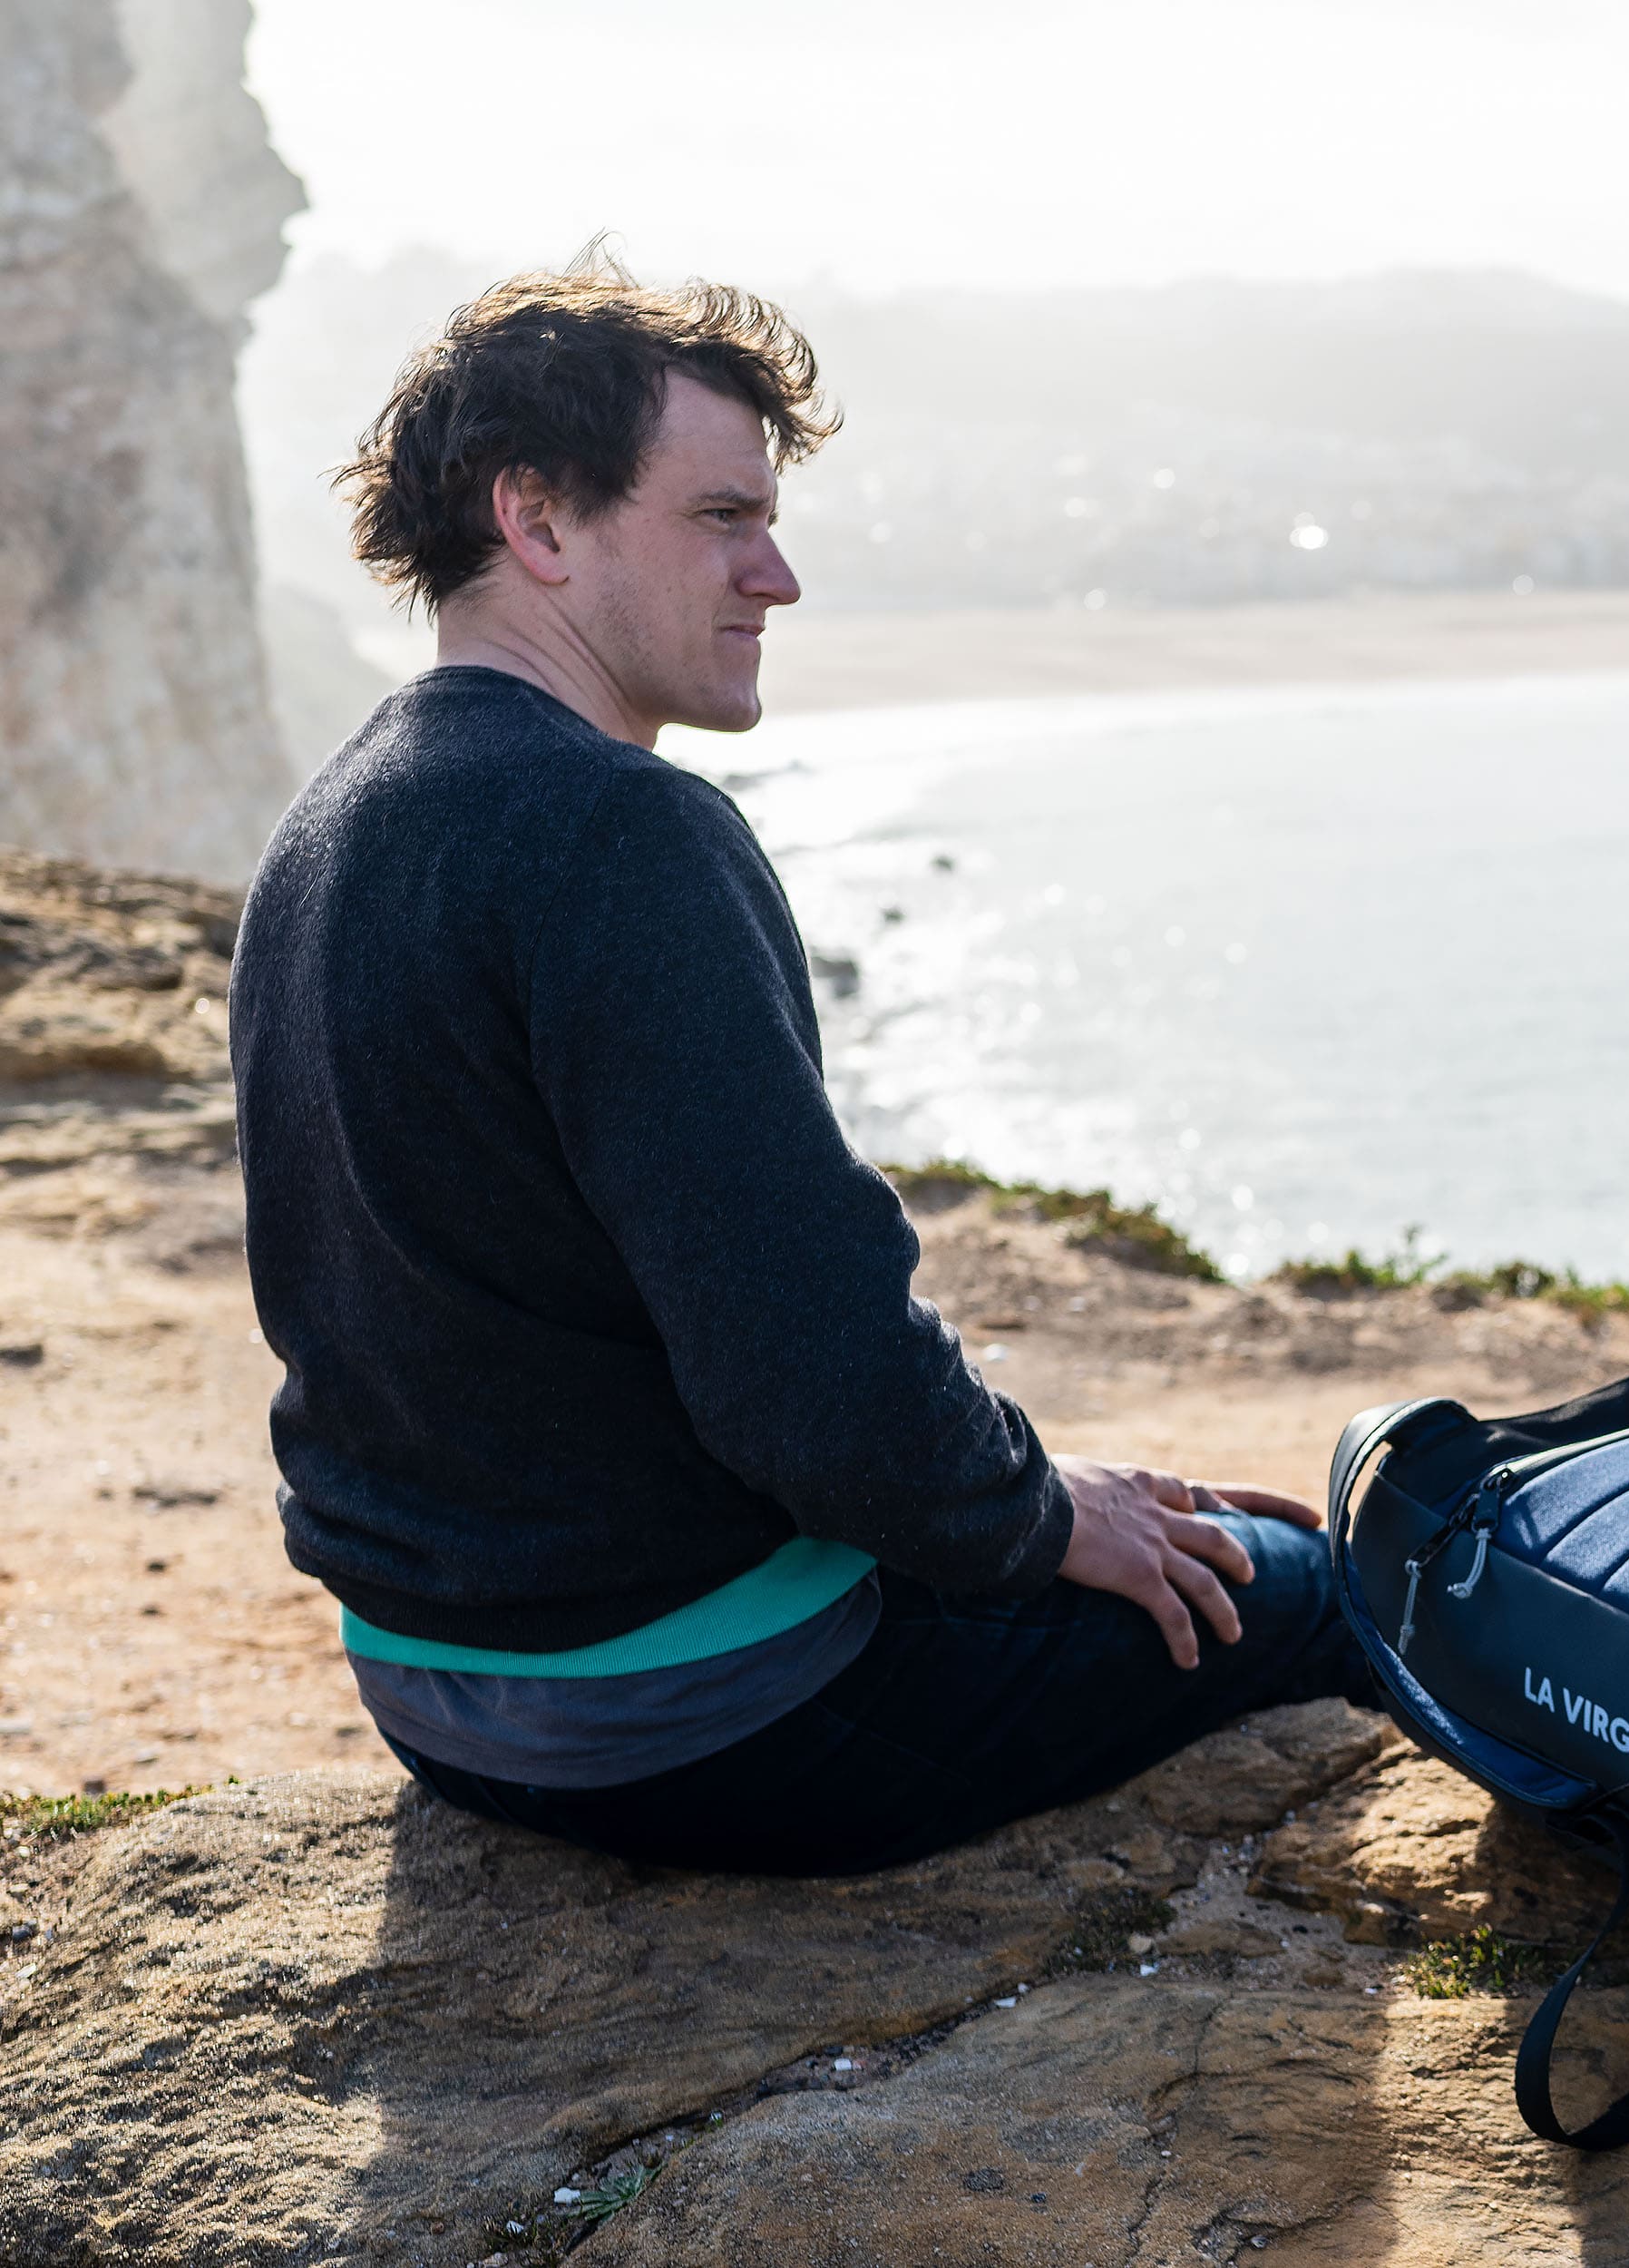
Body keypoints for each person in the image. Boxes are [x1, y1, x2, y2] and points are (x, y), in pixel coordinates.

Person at [230, 258, 1371, 1878]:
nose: (777, 574)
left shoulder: (331, 822)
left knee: (1181, 1529)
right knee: (1312, 1588)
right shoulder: (622, 834)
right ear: (538, 519)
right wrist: (1045, 1519)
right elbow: (817, 1388)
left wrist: (1033, 1492)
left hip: (435, 1687)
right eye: (722, 518)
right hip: (705, 1715)